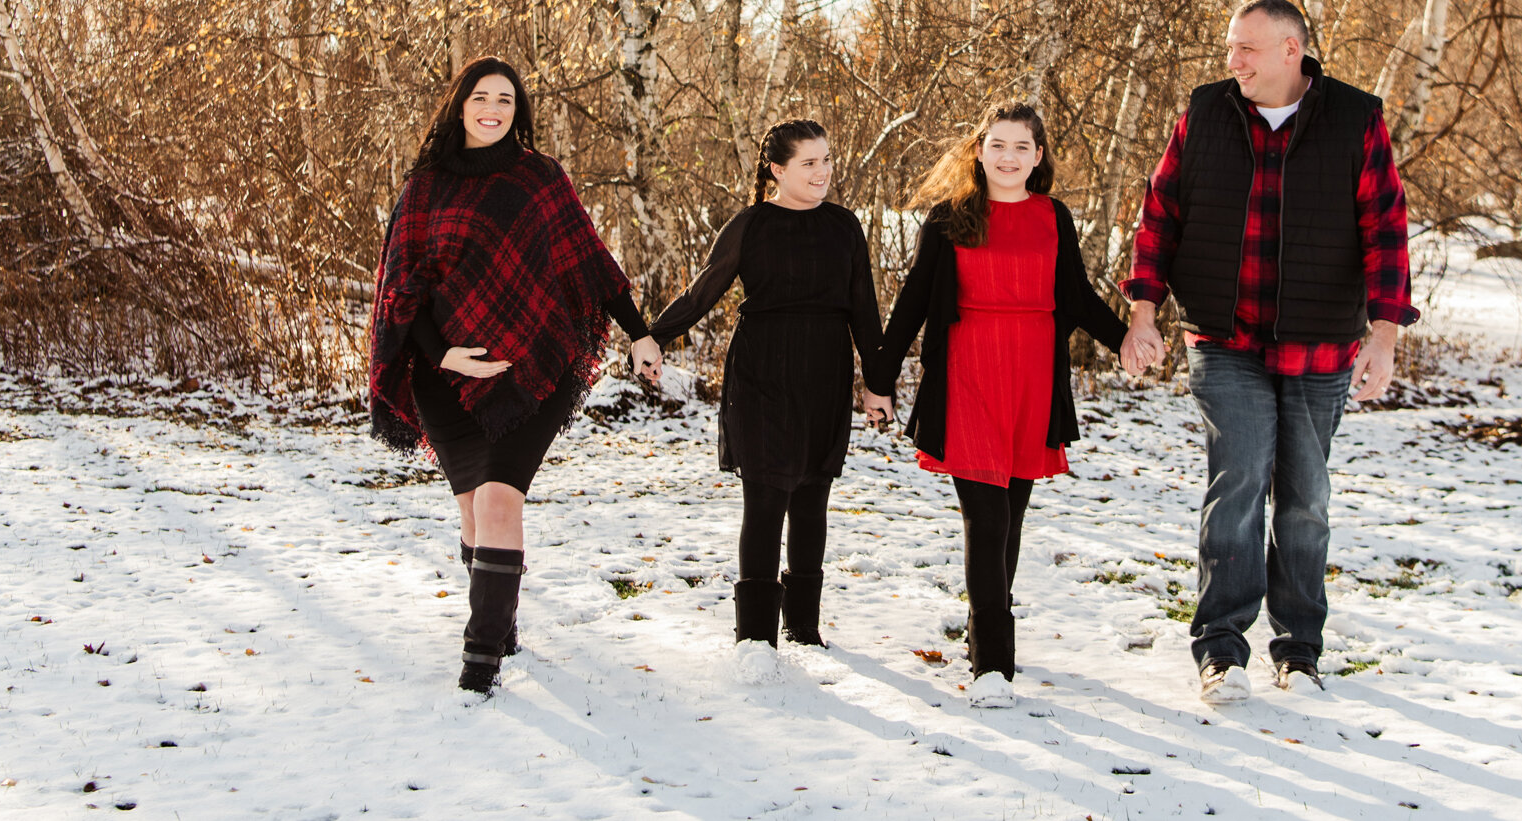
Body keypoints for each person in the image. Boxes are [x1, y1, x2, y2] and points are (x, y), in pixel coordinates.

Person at [1118, 0, 1415, 704]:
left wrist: (1384, 335)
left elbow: (1385, 229)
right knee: (1240, 482)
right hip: (1225, 338)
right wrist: (1142, 309)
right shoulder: (1205, 115)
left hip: (1319, 345)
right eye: (1229, 47)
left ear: (1292, 50)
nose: (1233, 61)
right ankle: (1222, 649)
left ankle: (1300, 651)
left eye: (1246, 48)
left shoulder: (1353, 119)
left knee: (1305, 499)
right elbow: (1160, 212)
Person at [367, 57, 664, 696]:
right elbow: (401, 287)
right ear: (460, 106)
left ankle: (480, 668)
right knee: (475, 512)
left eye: (505, 98)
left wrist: (638, 331)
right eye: (481, 97)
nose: (493, 109)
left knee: (501, 501)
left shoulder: (539, 180)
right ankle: (500, 628)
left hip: (534, 369)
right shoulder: (425, 188)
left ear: (518, 110)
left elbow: (589, 260)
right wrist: (444, 355)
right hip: (446, 375)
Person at [869, 101, 1155, 709]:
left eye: (1022, 147)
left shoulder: (1055, 217)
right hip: (967, 373)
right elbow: (913, 303)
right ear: (978, 151)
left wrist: (1125, 338)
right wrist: (879, 377)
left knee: (1013, 519)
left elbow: (1074, 297)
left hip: (1031, 377)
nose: (1008, 157)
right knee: (987, 517)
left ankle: (984, 638)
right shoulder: (949, 219)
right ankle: (993, 666)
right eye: (997, 145)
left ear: (1039, 156)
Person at [647, 120, 896, 683]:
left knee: (812, 498)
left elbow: (865, 312)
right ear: (777, 171)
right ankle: (755, 638)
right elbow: (702, 291)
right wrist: (654, 335)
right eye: (809, 163)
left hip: (824, 373)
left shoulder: (844, 227)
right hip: (761, 373)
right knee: (765, 499)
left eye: (828, 159)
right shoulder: (751, 225)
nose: (823, 172)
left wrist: (877, 384)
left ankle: (804, 627)